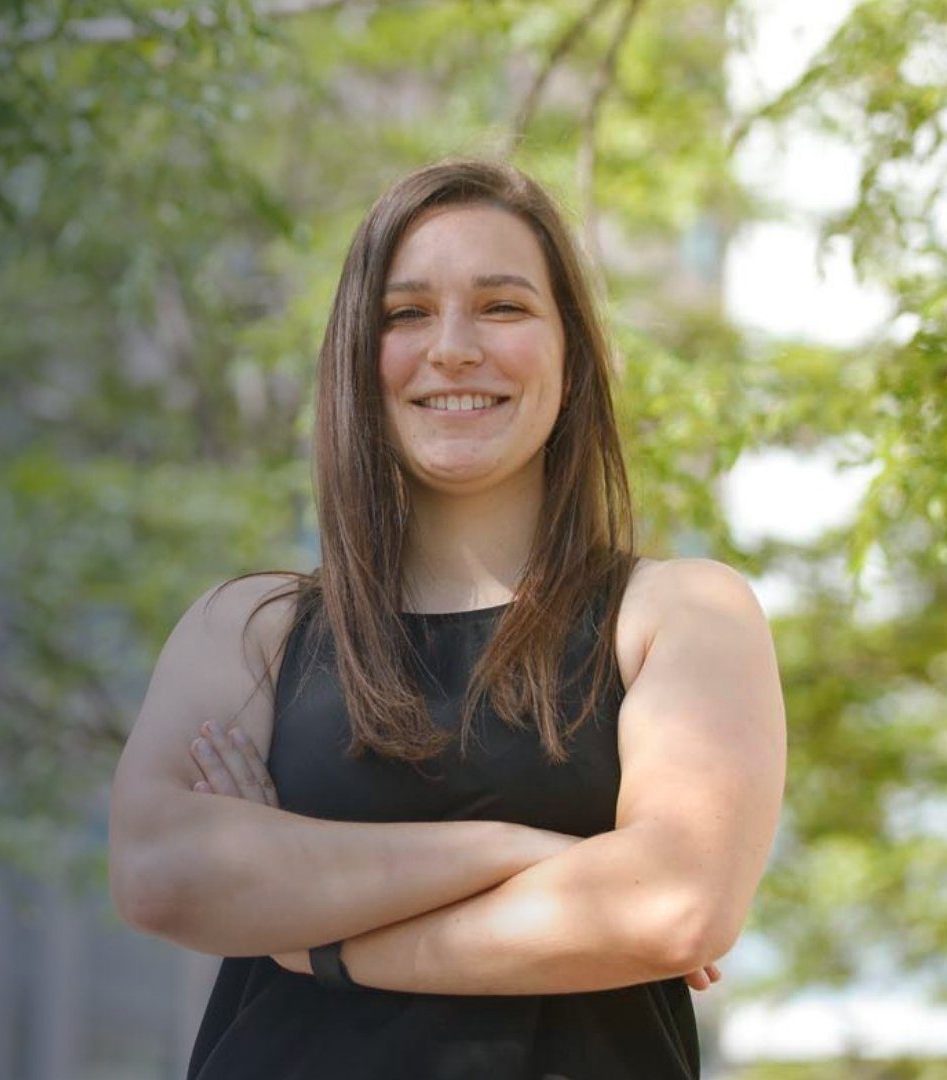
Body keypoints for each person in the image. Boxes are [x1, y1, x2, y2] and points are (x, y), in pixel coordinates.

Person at [106, 158, 787, 1079]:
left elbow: (673, 908)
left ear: (572, 353)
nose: (454, 348)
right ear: (357, 356)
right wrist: (523, 853)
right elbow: (160, 872)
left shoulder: (682, 613)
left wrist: (321, 938)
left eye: (502, 307)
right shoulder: (249, 629)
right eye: (406, 314)